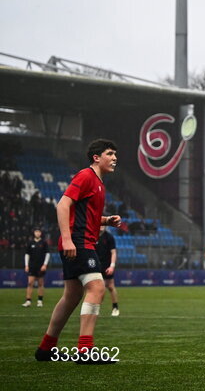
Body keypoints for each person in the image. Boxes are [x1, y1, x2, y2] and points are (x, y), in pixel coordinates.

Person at [34, 139, 122, 364]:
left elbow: (86, 215)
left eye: (115, 154)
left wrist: (106, 220)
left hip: (80, 242)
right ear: (96, 157)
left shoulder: (99, 183)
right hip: (79, 243)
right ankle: (85, 351)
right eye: (110, 154)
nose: (114, 158)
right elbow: (63, 205)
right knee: (97, 287)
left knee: (71, 296)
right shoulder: (85, 176)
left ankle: (46, 349)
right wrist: (67, 239)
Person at [95, 229, 119, 317]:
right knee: (97, 288)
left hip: (107, 266)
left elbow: (113, 252)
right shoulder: (93, 235)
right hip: (96, 266)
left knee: (111, 287)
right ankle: (96, 309)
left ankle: (115, 308)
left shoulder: (109, 237)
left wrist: (112, 266)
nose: (102, 226)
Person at [23, 228, 49, 308]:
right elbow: (27, 254)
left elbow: (47, 254)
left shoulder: (44, 243)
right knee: (30, 283)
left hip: (40, 266)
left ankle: (40, 301)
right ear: (34, 233)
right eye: (36, 231)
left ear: (40, 233)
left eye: (39, 232)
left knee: (40, 283)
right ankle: (28, 301)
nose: (37, 233)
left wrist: (45, 265)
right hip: (32, 266)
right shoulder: (30, 243)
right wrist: (26, 265)